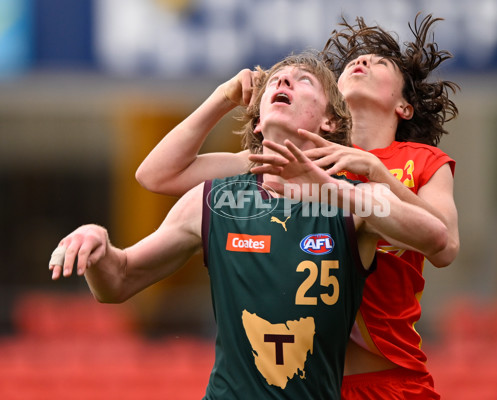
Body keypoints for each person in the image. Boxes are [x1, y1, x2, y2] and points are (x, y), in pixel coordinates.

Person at [49, 53, 448, 399]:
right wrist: (98, 243)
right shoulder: (214, 199)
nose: (284, 80)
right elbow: (117, 281)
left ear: (329, 121)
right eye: (275, 79)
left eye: (303, 80)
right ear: (258, 125)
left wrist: (330, 187)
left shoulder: (351, 201)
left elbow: (436, 237)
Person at [135, 14, 459, 399]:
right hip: (314, 381)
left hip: (391, 379)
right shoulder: (295, 157)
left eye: (379, 63)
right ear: (330, 108)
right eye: (354, 61)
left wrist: (376, 173)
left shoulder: (424, 161)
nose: (361, 61)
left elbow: (446, 246)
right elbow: (157, 176)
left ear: (404, 106)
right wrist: (222, 98)